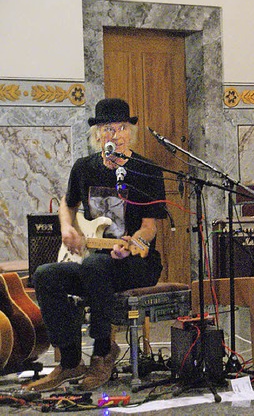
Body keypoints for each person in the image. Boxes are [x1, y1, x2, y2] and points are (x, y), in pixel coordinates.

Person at [25, 98, 167, 392]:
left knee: (94, 265)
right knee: (45, 275)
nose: (112, 135)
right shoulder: (83, 168)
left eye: (119, 128)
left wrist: (133, 243)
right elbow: (67, 204)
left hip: (136, 264)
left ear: (129, 132)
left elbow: (149, 227)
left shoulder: (147, 170)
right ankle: (70, 361)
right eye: (106, 129)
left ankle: (103, 351)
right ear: (97, 134)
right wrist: (67, 228)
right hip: (96, 260)